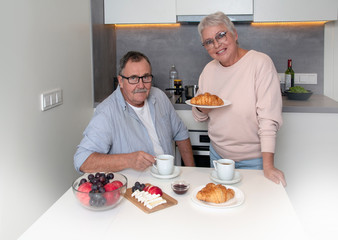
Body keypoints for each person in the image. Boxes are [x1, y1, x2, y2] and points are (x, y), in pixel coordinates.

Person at [192, 12, 286, 186]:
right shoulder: (209, 70)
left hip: (253, 160)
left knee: (253, 208)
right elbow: (199, 115)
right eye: (209, 42)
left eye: (221, 35)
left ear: (234, 34)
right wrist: (200, 108)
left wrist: (268, 166)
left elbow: (268, 119)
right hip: (218, 156)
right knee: (221, 206)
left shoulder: (260, 63)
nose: (216, 44)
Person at [74, 51, 194, 173]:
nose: (141, 85)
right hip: (133, 188)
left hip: (167, 180)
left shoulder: (159, 96)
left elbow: (181, 133)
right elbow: (82, 161)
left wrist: (192, 172)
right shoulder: (106, 112)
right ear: (120, 81)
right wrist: (128, 160)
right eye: (133, 78)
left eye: (146, 77)